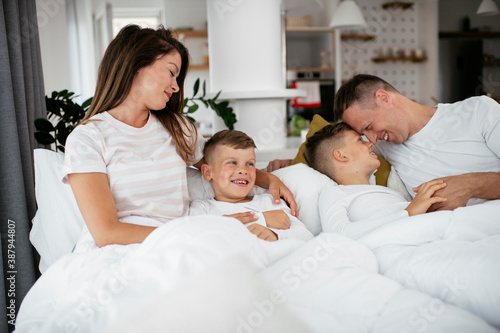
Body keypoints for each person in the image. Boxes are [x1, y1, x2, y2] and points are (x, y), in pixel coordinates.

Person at [62, 24, 297, 248]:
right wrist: (194, 233)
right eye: (172, 73)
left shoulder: (177, 128)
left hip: (183, 245)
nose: (175, 87)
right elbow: (107, 233)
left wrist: (271, 180)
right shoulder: (88, 138)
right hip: (127, 248)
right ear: (136, 64)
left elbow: (220, 167)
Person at [267, 74, 500, 211]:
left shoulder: (478, 111)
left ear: (383, 98)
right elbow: (337, 155)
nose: (371, 140)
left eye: (368, 127)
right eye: (363, 135)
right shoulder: (380, 144)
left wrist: (470, 184)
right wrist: (289, 164)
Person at [304, 122, 448, 237]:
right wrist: (407, 213)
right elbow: (338, 234)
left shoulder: (388, 189)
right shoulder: (334, 193)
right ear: (341, 156)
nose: (370, 143)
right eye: (360, 140)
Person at [190, 130, 313, 242]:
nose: (243, 170)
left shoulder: (271, 201)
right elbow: (193, 235)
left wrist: (275, 235)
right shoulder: (203, 208)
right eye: (232, 163)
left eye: (250, 164)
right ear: (208, 172)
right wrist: (262, 219)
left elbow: (306, 236)